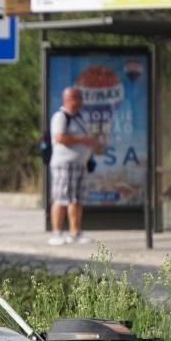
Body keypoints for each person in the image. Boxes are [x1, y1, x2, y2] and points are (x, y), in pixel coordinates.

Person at [48, 86, 101, 246]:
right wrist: (84, 140)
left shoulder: (80, 117)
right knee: (61, 197)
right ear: (69, 99)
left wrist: (92, 143)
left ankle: (75, 232)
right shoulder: (61, 116)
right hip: (64, 164)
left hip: (80, 164)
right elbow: (60, 137)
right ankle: (57, 233)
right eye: (78, 98)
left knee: (77, 199)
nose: (81, 101)